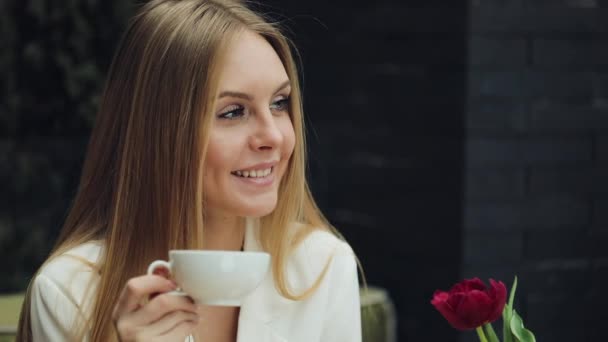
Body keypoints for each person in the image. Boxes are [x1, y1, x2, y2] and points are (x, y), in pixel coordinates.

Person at [15, 0, 362, 341]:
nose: (273, 136)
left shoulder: (323, 266)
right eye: (233, 112)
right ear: (160, 132)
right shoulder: (68, 295)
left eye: (279, 103)